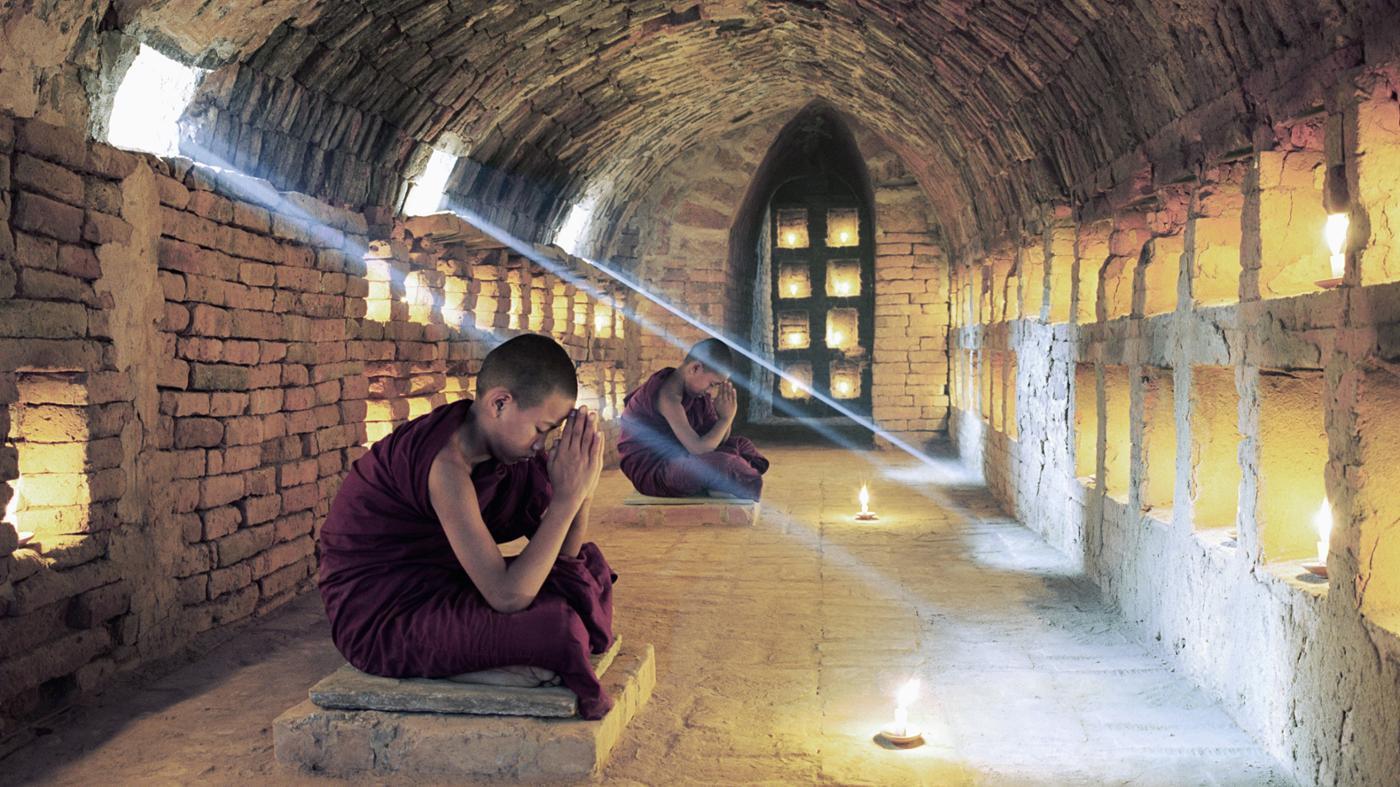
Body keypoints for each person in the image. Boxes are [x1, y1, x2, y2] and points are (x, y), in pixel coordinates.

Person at [317, 334, 616, 719]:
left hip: (449, 583)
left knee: (590, 574)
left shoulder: (508, 453)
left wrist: (582, 493)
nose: (541, 445)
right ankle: (494, 663)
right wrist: (566, 500)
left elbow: (564, 559)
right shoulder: (445, 466)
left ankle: (495, 657)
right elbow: (507, 597)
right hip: (384, 614)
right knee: (557, 628)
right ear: (500, 403)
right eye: (540, 428)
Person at [617, 338, 769, 500]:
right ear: (695, 368)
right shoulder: (668, 396)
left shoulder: (696, 394)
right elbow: (700, 449)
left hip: (683, 454)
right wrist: (725, 420)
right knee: (726, 464)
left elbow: (718, 440)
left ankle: (717, 480)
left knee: (743, 445)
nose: (711, 390)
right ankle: (720, 480)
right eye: (712, 384)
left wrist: (724, 417)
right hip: (657, 469)